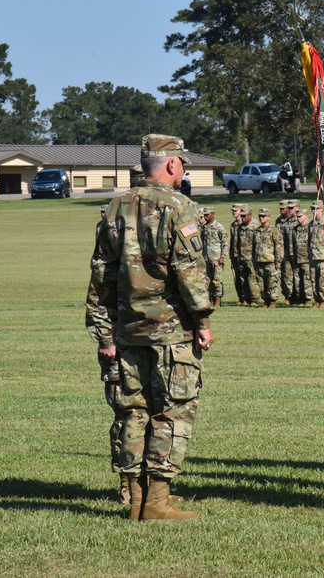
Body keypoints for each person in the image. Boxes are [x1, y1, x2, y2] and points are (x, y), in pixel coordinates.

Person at [87, 134, 213, 521]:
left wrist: (103, 332)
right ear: (172, 165)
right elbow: (189, 273)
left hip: (126, 330)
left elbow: (100, 277)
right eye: (183, 166)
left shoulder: (114, 207)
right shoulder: (180, 207)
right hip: (171, 332)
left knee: (133, 412)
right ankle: (157, 500)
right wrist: (203, 320)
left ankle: (137, 499)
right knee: (172, 411)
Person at [85, 202, 130, 505]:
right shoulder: (105, 266)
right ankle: (128, 486)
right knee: (124, 417)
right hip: (118, 346)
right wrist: (106, 341)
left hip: (145, 343)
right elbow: (96, 302)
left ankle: (152, 487)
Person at [252, 208, 283, 308]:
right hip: (259, 260)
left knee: (271, 282)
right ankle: (265, 300)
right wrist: (253, 259)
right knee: (261, 283)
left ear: (268, 217)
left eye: (263, 216)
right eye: (260, 216)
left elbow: (278, 246)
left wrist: (278, 261)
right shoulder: (256, 230)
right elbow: (253, 246)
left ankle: (272, 301)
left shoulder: (273, 230)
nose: (261, 218)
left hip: (270, 261)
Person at [201, 207, 227, 307]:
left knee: (217, 279)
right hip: (206, 257)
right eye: (204, 215)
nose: (205, 217)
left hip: (216, 258)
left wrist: (222, 256)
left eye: (207, 215)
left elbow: (225, 243)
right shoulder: (204, 228)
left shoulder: (219, 227)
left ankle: (218, 299)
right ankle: (210, 298)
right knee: (207, 279)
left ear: (212, 214)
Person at [234, 205, 260, 305]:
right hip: (242, 256)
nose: (242, 218)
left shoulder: (255, 226)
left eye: (244, 216)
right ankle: (246, 298)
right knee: (242, 278)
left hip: (251, 257)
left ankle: (254, 299)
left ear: (250, 215)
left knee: (252, 278)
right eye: (241, 216)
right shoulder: (240, 227)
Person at [290, 208, 313, 306]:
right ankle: (300, 299)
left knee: (307, 279)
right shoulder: (295, 229)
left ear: (306, 216)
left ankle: (308, 299)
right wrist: (292, 255)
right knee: (297, 279)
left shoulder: (311, 227)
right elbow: (292, 243)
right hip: (297, 257)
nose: (298, 219)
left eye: (300, 217)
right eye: (297, 217)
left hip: (307, 258)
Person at [228, 204, 245, 304]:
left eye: (236, 210)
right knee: (236, 277)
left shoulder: (246, 224)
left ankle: (248, 298)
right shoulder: (233, 225)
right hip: (234, 255)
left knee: (246, 277)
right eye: (233, 211)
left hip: (244, 255)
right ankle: (240, 298)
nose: (234, 212)